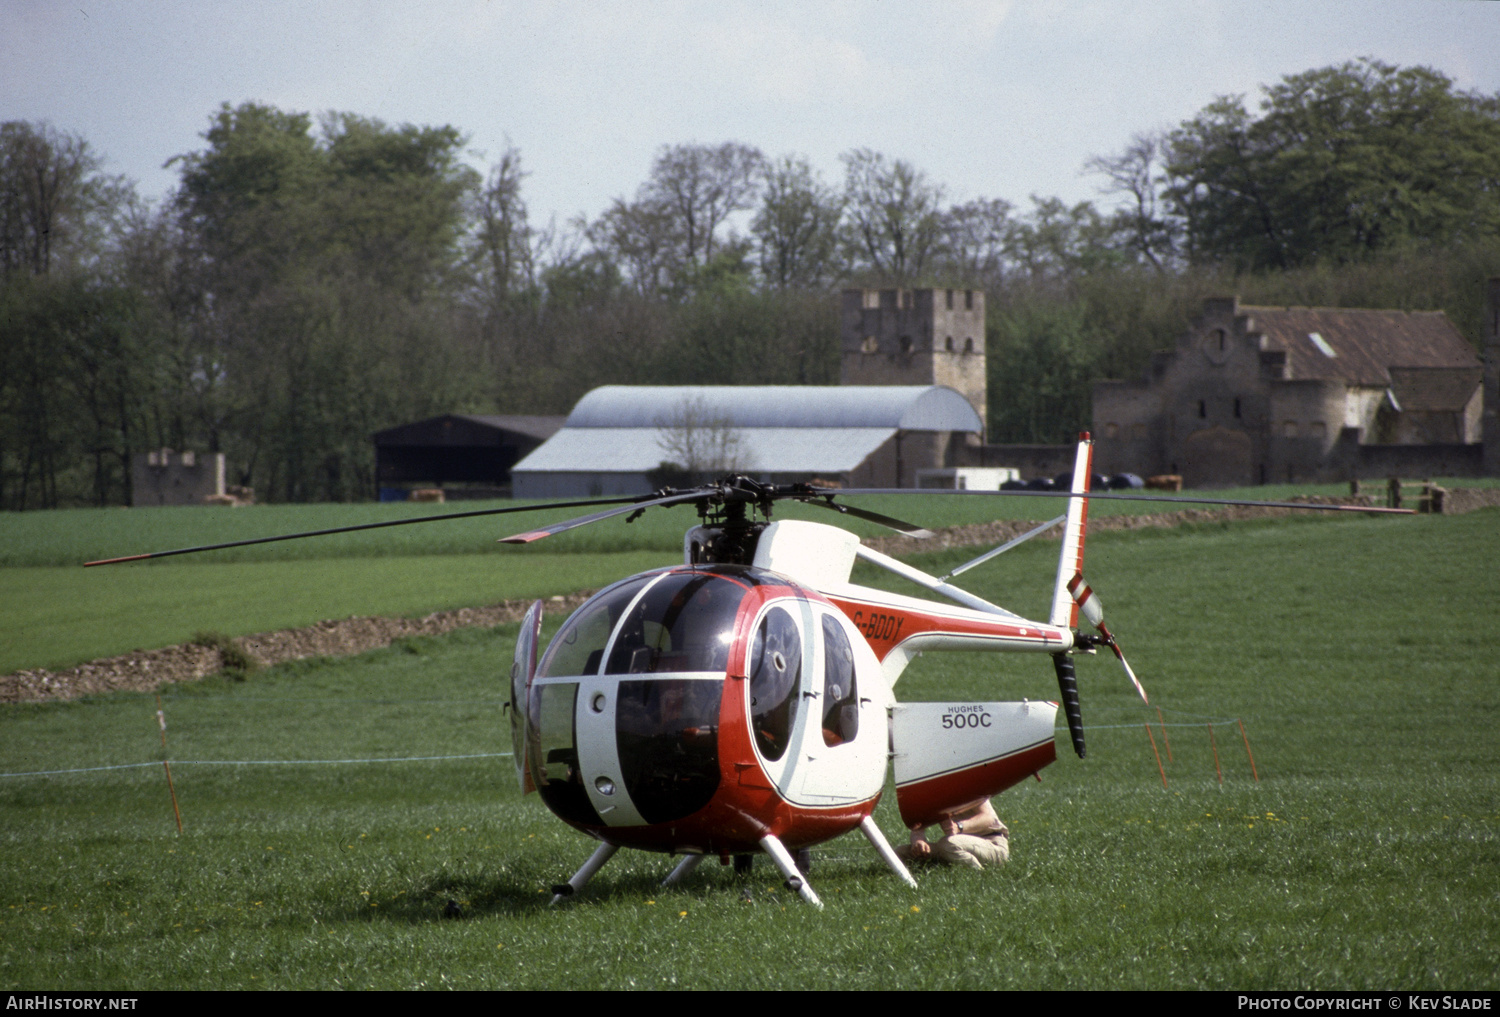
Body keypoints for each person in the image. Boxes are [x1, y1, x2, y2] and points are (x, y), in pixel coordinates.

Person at [896, 798, 1009, 871]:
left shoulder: (967, 783)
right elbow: (918, 827)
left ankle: (979, 876)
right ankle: (945, 869)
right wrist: (918, 841)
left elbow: (989, 818)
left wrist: (959, 827)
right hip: (956, 846)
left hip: (992, 843)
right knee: (899, 853)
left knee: (948, 843)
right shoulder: (929, 792)